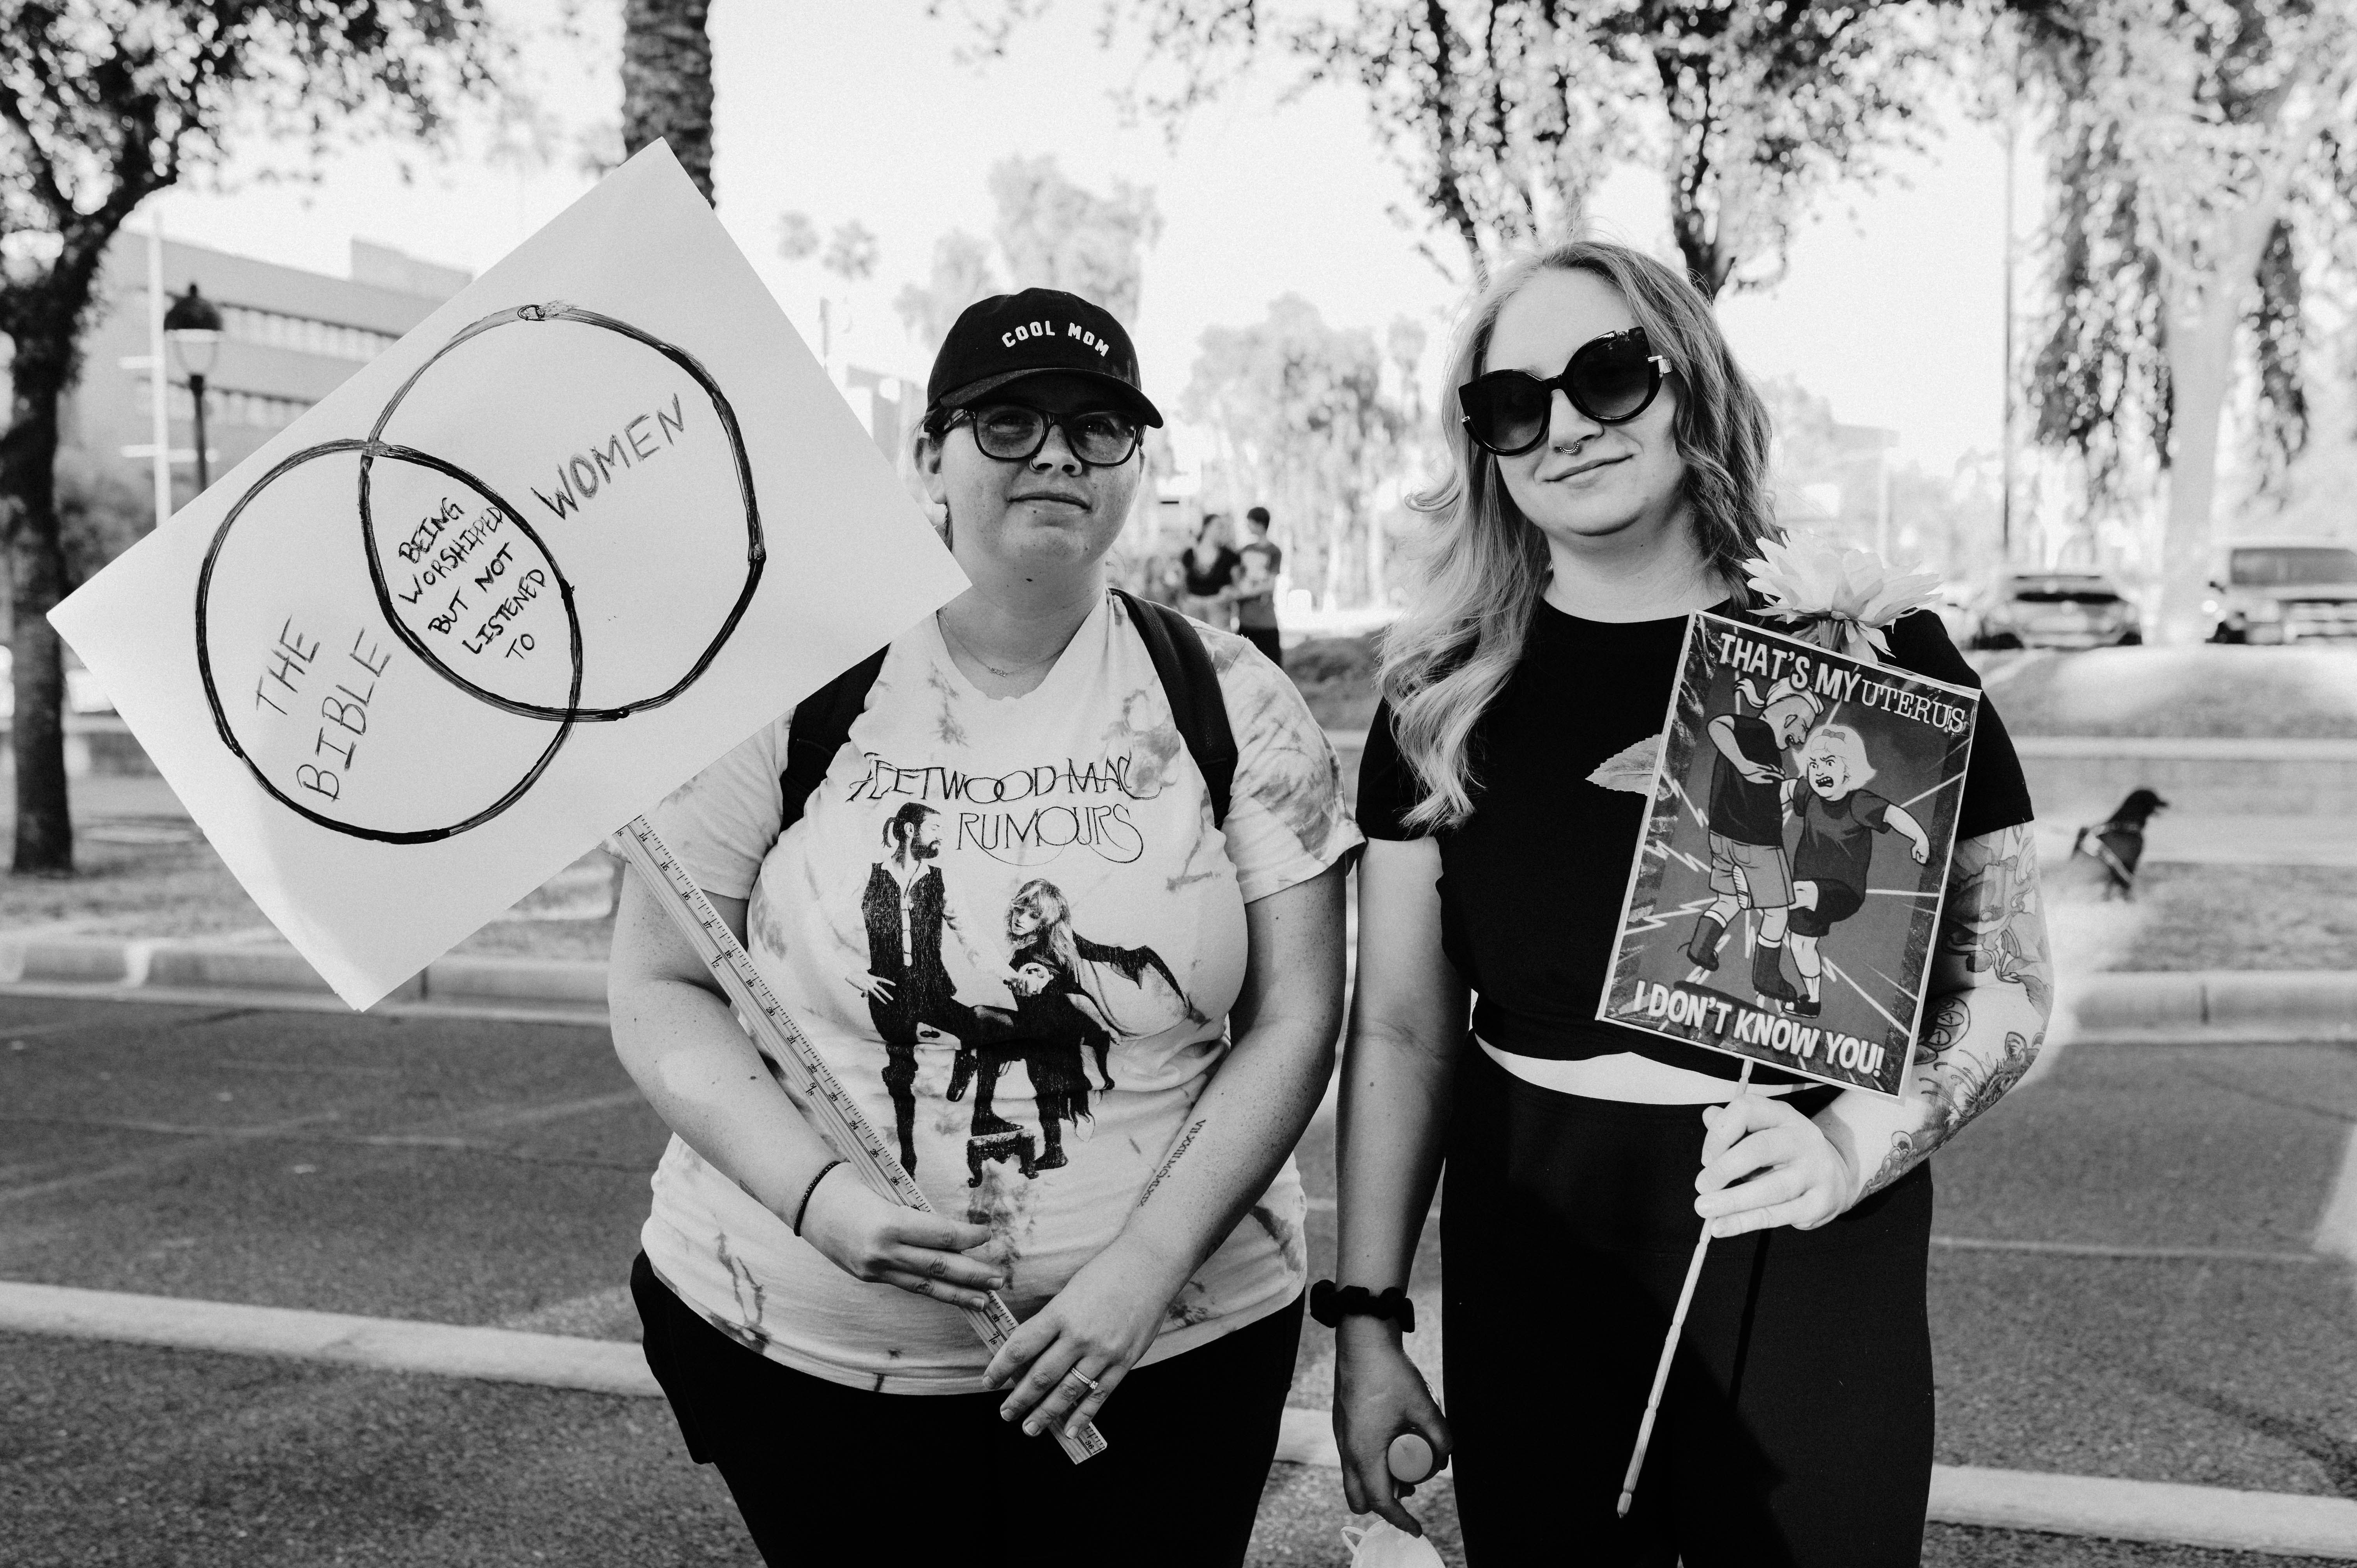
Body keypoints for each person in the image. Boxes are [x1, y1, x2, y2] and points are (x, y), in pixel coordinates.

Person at [611, 287, 1360, 1567]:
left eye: (1098, 426)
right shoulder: (789, 685)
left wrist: (1143, 1264)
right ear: (929, 455)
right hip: (809, 1367)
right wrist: (822, 1200)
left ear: (1134, 462)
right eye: (1007, 421)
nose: (1056, 453)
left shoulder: (1231, 696)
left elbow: (1298, 1016)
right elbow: (659, 982)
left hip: (1171, 1356)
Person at [1327, 241, 2048, 1566]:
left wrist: (1847, 1149)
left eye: (1605, 377)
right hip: (1534, 1250)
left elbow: (2001, 986)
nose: (1563, 429)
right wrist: (1366, 1319)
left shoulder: (1872, 658)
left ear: (1684, 383)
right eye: (1510, 405)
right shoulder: (1436, 696)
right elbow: (1399, 1037)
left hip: (1800, 1238)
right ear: (1481, 445)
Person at [1233, 506, 1285, 666]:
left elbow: (1270, 586)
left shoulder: (1274, 551)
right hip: (1246, 619)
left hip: (1265, 619)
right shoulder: (1245, 550)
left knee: (1271, 665)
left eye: (1250, 522)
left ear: (1260, 524)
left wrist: (1243, 594)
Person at [1180, 512, 1241, 629]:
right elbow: (1182, 584)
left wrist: (1229, 593)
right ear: (1206, 527)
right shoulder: (1188, 555)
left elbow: (1237, 586)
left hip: (1218, 608)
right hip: (1193, 608)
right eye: (1219, 526)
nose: (1223, 530)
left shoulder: (1230, 556)